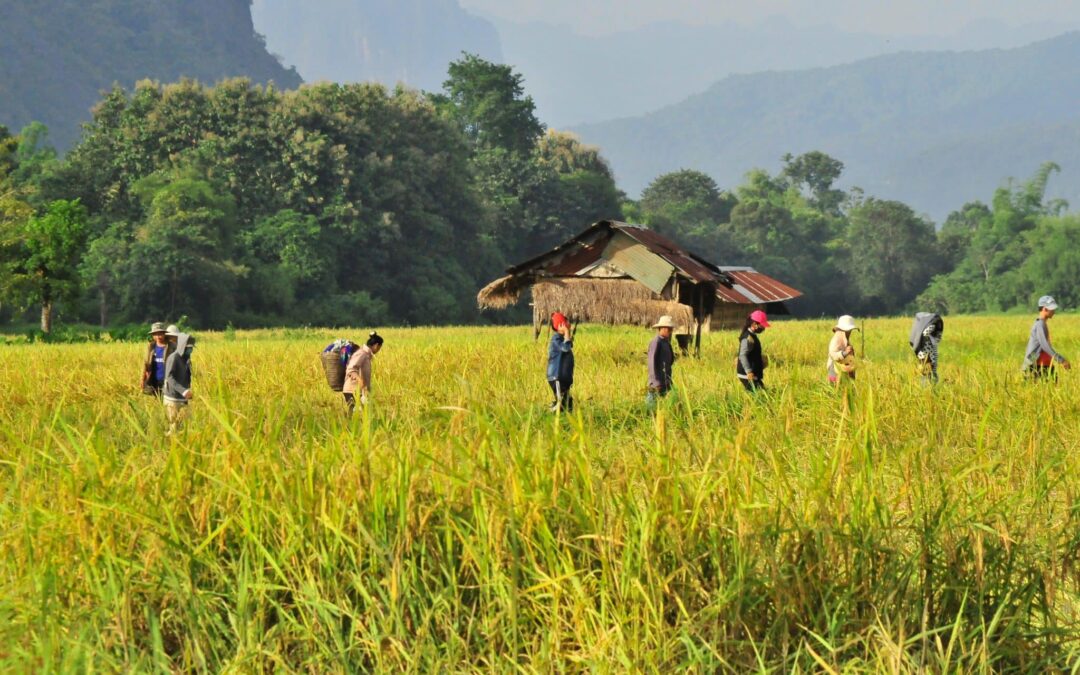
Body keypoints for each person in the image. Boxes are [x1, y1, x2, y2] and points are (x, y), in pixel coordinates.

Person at [1022, 295, 1071, 381]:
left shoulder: (1041, 323)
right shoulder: (1040, 324)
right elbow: (1045, 345)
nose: (1054, 311)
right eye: (1051, 309)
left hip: (1045, 364)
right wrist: (1061, 360)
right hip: (1037, 366)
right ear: (1044, 309)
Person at [162, 332, 195, 435]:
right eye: (188, 348)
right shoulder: (173, 358)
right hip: (173, 398)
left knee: (183, 426)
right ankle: (170, 446)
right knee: (174, 426)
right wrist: (183, 391)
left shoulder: (186, 359)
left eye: (191, 348)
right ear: (182, 347)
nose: (190, 350)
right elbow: (170, 378)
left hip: (183, 398)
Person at [343, 332, 383, 413]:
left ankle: (349, 424)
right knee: (357, 415)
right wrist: (360, 380)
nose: (378, 350)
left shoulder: (367, 355)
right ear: (376, 345)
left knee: (362, 415)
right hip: (353, 390)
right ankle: (348, 425)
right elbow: (351, 369)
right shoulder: (362, 354)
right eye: (379, 348)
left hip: (359, 391)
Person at [546, 312, 575, 412]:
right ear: (561, 325)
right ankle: (549, 412)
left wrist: (567, 334)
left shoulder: (562, 339)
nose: (569, 324)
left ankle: (567, 422)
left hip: (562, 379)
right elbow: (566, 348)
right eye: (566, 323)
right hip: (557, 377)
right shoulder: (556, 339)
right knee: (560, 403)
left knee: (568, 403)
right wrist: (566, 332)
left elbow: (568, 345)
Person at [736, 310, 770, 393]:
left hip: (752, 375)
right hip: (748, 375)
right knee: (759, 397)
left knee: (762, 394)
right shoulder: (748, 338)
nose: (763, 328)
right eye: (762, 326)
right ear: (754, 324)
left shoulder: (752, 336)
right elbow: (743, 355)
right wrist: (748, 371)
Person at [647, 315, 677, 405]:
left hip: (665, 381)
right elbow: (651, 362)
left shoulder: (666, 342)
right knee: (651, 405)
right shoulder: (656, 342)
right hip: (657, 381)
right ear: (663, 328)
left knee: (662, 405)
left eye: (671, 329)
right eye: (669, 329)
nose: (671, 331)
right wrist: (656, 381)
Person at [910, 312, 943, 384]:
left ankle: (928, 385)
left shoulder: (926, 326)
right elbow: (925, 333)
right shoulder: (933, 326)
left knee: (925, 370)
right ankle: (929, 386)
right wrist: (930, 340)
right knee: (928, 371)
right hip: (927, 350)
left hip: (923, 350)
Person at [141, 322, 171, 396]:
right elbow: (145, 363)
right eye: (156, 334)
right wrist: (142, 379)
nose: (158, 336)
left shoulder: (170, 346)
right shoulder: (151, 346)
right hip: (154, 379)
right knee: (157, 400)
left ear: (164, 334)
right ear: (153, 335)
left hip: (167, 380)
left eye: (160, 333)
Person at [827, 315, 859, 384]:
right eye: (848, 330)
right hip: (834, 369)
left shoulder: (845, 339)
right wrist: (844, 353)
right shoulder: (836, 339)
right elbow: (833, 354)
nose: (849, 332)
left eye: (850, 330)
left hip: (843, 368)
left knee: (845, 389)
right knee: (834, 389)